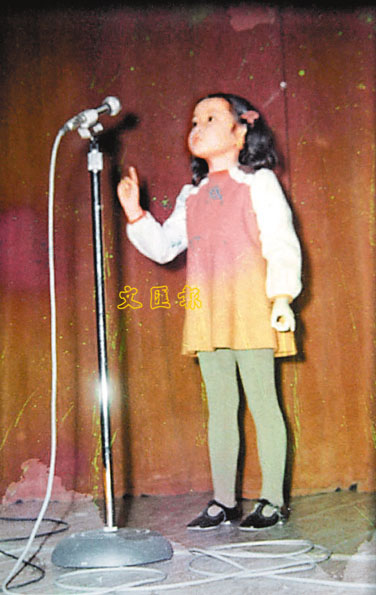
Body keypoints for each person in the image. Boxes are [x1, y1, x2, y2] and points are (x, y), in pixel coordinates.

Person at [117, 93, 302, 530]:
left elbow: (280, 240)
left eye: (211, 118)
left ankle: (273, 500)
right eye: (194, 120)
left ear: (242, 132)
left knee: (263, 401)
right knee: (220, 407)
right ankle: (224, 501)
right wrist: (136, 214)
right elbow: (165, 247)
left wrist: (282, 297)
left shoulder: (259, 183)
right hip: (207, 310)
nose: (197, 127)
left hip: (251, 306)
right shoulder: (192, 195)